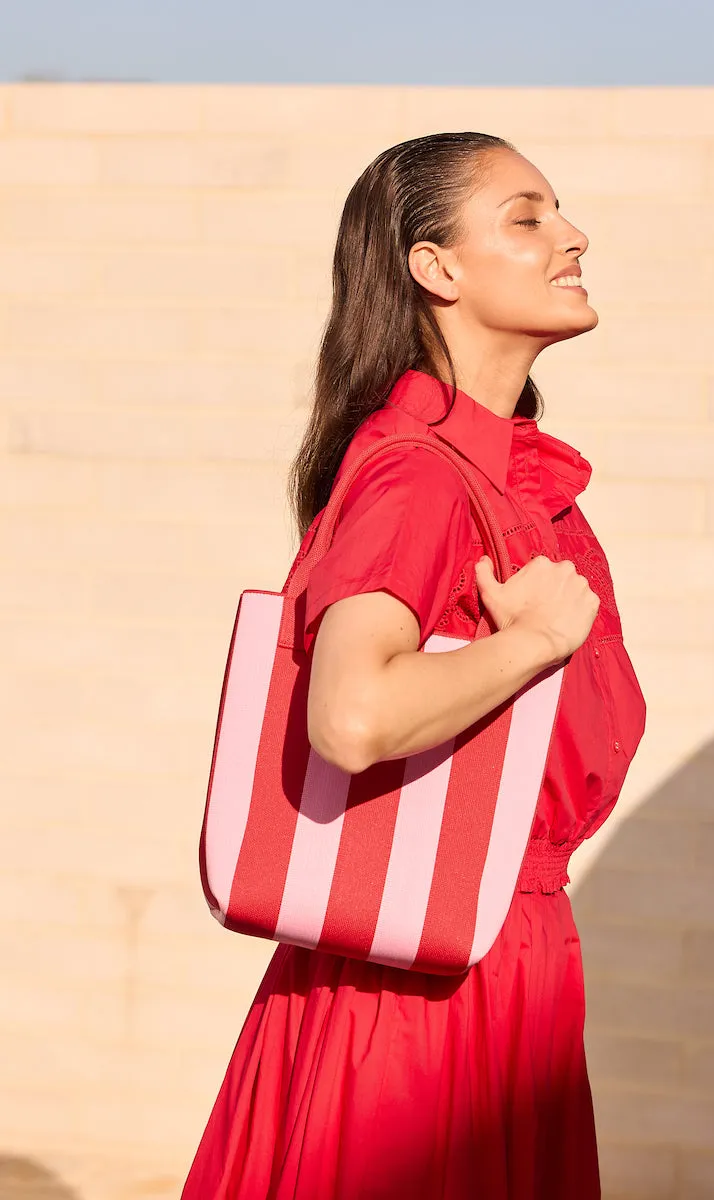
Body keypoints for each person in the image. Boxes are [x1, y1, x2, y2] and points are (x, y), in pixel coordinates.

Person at [181, 131, 647, 1200]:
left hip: (498, 957)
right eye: (525, 218)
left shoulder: (517, 488)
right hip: (418, 988)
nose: (571, 237)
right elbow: (349, 715)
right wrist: (532, 642)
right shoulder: (420, 479)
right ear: (434, 269)